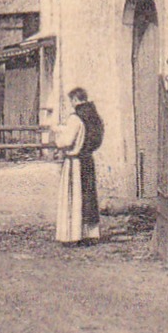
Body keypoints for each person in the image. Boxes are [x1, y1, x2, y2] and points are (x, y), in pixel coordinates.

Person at [49, 88, 103, 244]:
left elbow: (67, 141)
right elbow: (86, 134)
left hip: (74, 162)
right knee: (88, 196)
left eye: (71, 101)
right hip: (87, 159)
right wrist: (61, 129)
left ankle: (73, 235)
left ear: (74, 100)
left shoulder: (75, 118)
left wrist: (57, 141)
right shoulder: (93, 116)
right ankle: (91, 234)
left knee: (74, 197)